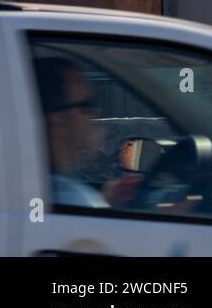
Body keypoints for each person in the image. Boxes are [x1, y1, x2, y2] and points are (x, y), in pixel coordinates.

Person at [33, 56, 136, 208]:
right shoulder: (71, 198)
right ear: (57, 119)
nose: (96, 112)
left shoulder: (49, 192)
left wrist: (105, 199)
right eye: (86, 104)